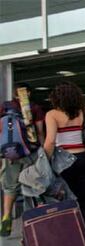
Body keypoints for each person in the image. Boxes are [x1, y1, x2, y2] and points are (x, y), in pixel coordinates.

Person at [43, 81, 85, 246]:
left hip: (64, 161)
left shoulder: (52, 114)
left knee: (67, 205)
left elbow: (50, 141)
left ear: (56, 98)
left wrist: (45, 162)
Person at [0, 83, 45, 237]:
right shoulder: (34, 108)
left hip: (10, 154)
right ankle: (33, 218)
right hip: (29, 152)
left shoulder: (5, 107)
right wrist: (43, 150)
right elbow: (39, 132)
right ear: (29, 93)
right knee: (33, 183)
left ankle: (6, 216)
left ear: (14, 94)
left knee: (9, 186)